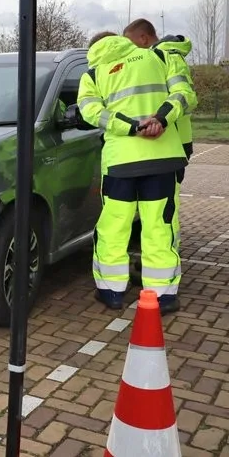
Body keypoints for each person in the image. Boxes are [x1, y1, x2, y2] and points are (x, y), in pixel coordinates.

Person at [76, 31, 191, 315]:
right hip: (162, 159)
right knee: (160, 227)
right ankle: (162, 296)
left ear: (94, 49)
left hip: (120, 162)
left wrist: (132, 126)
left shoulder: (93, 73)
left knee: (113, 226)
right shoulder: (160, 56)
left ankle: (111, 291)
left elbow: (91, 112)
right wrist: (160, 119)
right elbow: (185, 95)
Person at [123, 18, 199, 252]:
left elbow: (185, 97)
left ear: (143, 38)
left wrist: (160, 118)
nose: (129, 50)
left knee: (164, 212)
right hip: (163, 143)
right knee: (156, 211)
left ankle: (166, 263)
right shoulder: (157, 57)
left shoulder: (166, 57)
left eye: (130, 43)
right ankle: (153, 260)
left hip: (170, 145)